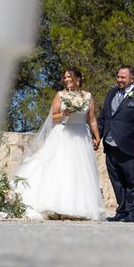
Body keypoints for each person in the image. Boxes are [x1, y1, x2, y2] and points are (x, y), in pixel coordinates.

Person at [15, 68, 105, 220]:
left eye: (70, 76)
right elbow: (53, 118)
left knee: (80, 172)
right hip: (63, 134)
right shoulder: (60, 95)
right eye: (65, 77)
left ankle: (79, 207)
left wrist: (97, 136)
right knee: (61, 168)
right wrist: (64, 114)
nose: (67, 79)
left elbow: (92, 119)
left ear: (78, 78)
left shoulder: (88, 96)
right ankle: (55, 206)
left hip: (81, 136)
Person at [96, 66, 134, 223]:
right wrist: (97, 136)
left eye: (123, 77)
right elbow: (104, 118)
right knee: (117, 181)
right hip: (110, 145)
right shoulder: (112, 93)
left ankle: (133, 213)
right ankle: (122, 211)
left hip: (132, 146)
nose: (119, 80)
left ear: (132, 78)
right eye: (118, 77)